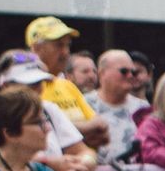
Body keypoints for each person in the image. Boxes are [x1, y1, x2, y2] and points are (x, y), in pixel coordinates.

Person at [0, 51, 97, 171]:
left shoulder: (49, 109)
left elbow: (85, 152)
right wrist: (49, 164)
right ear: (6, 85)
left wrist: (82, 165)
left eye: (40, 83)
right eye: (29, 84)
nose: (37, 89)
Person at [26, 16, 109, 150]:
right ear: (36, 48)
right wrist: (83, 131)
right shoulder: (25, 88)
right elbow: (40, 132)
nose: (65, 52)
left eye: (67, 45)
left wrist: (67, 131)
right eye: (58, 45)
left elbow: (101, 129)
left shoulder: (67, 85)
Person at [84, 50, 148, 164]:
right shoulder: (83, 104)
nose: (130, 76)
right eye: (124, 71)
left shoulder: (143, 109)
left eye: (132, 72)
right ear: (102, 73)